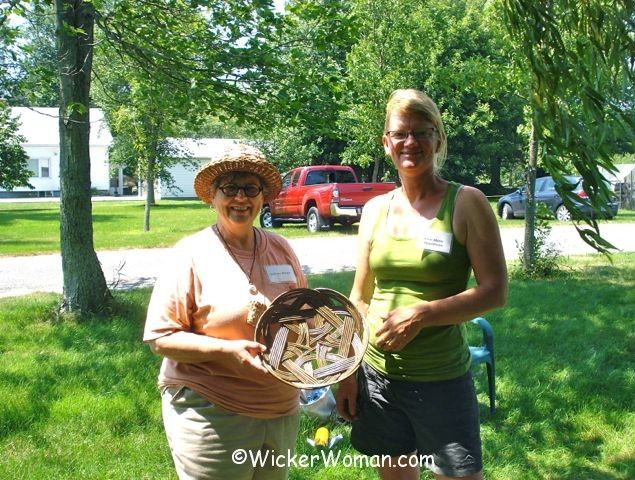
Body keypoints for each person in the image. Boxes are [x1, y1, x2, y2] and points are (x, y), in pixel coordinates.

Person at [336, 89, 508, 480]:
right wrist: (346, 370)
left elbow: (495, 291)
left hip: (441, 378)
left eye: (422, 132)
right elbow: (359, 296)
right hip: (378, 376)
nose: (410, 142)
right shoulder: (375, 210)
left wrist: (424, 313)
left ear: (438, 139)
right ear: (386, 142)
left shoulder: (466, 203)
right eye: (400, 133)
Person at [144, 144, 307, 480]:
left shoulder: (281, 248)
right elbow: (160, 338)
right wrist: (228, 350)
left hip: (280, 409)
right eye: (229, 188)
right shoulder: (190, 254)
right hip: (213, 410)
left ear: (263, 197)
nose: (240, 198)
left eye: (250, 188)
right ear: (213, 197)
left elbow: (304, 317)